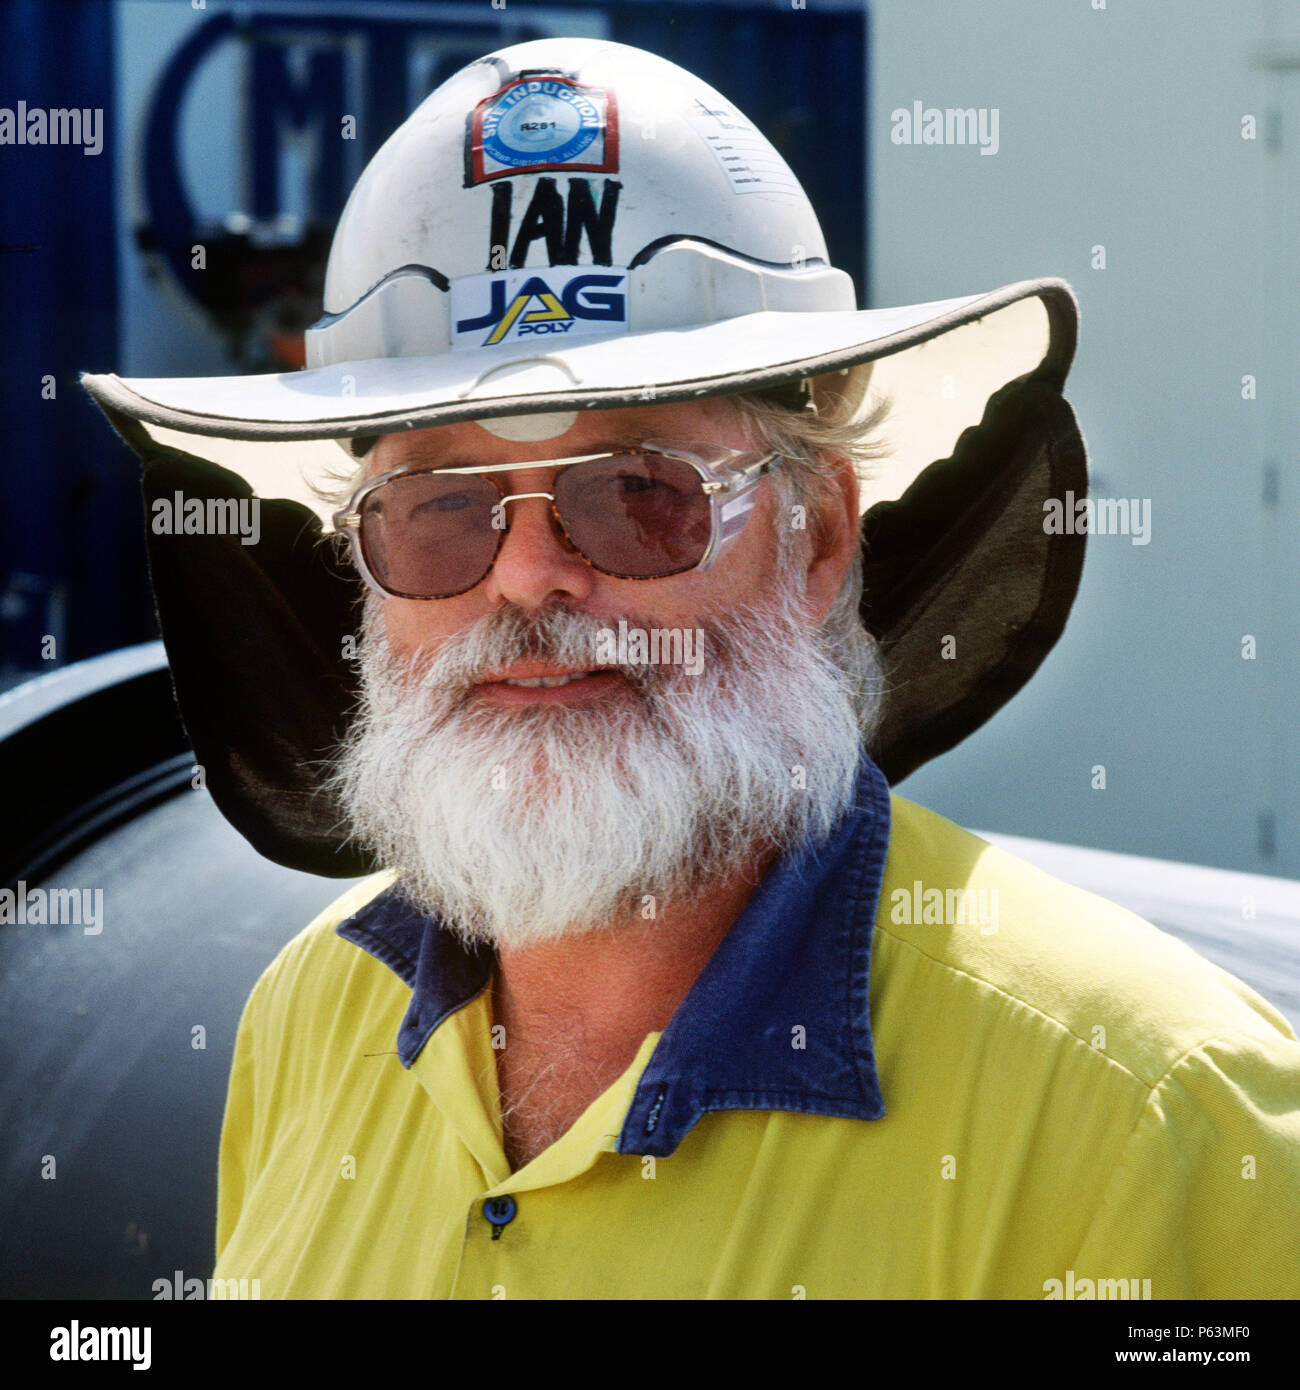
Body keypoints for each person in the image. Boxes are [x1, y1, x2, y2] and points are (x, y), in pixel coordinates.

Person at [83, 37, 1300, 1299]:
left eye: (636, 494)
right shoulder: (306, 1015)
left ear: (817, 536)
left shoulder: (1155, 1113)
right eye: (439, 507)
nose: (528, 576)